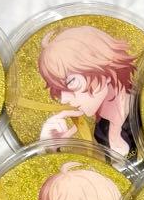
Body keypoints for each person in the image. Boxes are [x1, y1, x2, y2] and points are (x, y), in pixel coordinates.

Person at [35, 25, 138, 158]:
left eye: (71, 82)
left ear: (104, 69)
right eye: (59, 90)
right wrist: (49, 149)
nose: (64, 99)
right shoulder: (100, 132)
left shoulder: (141, 111)